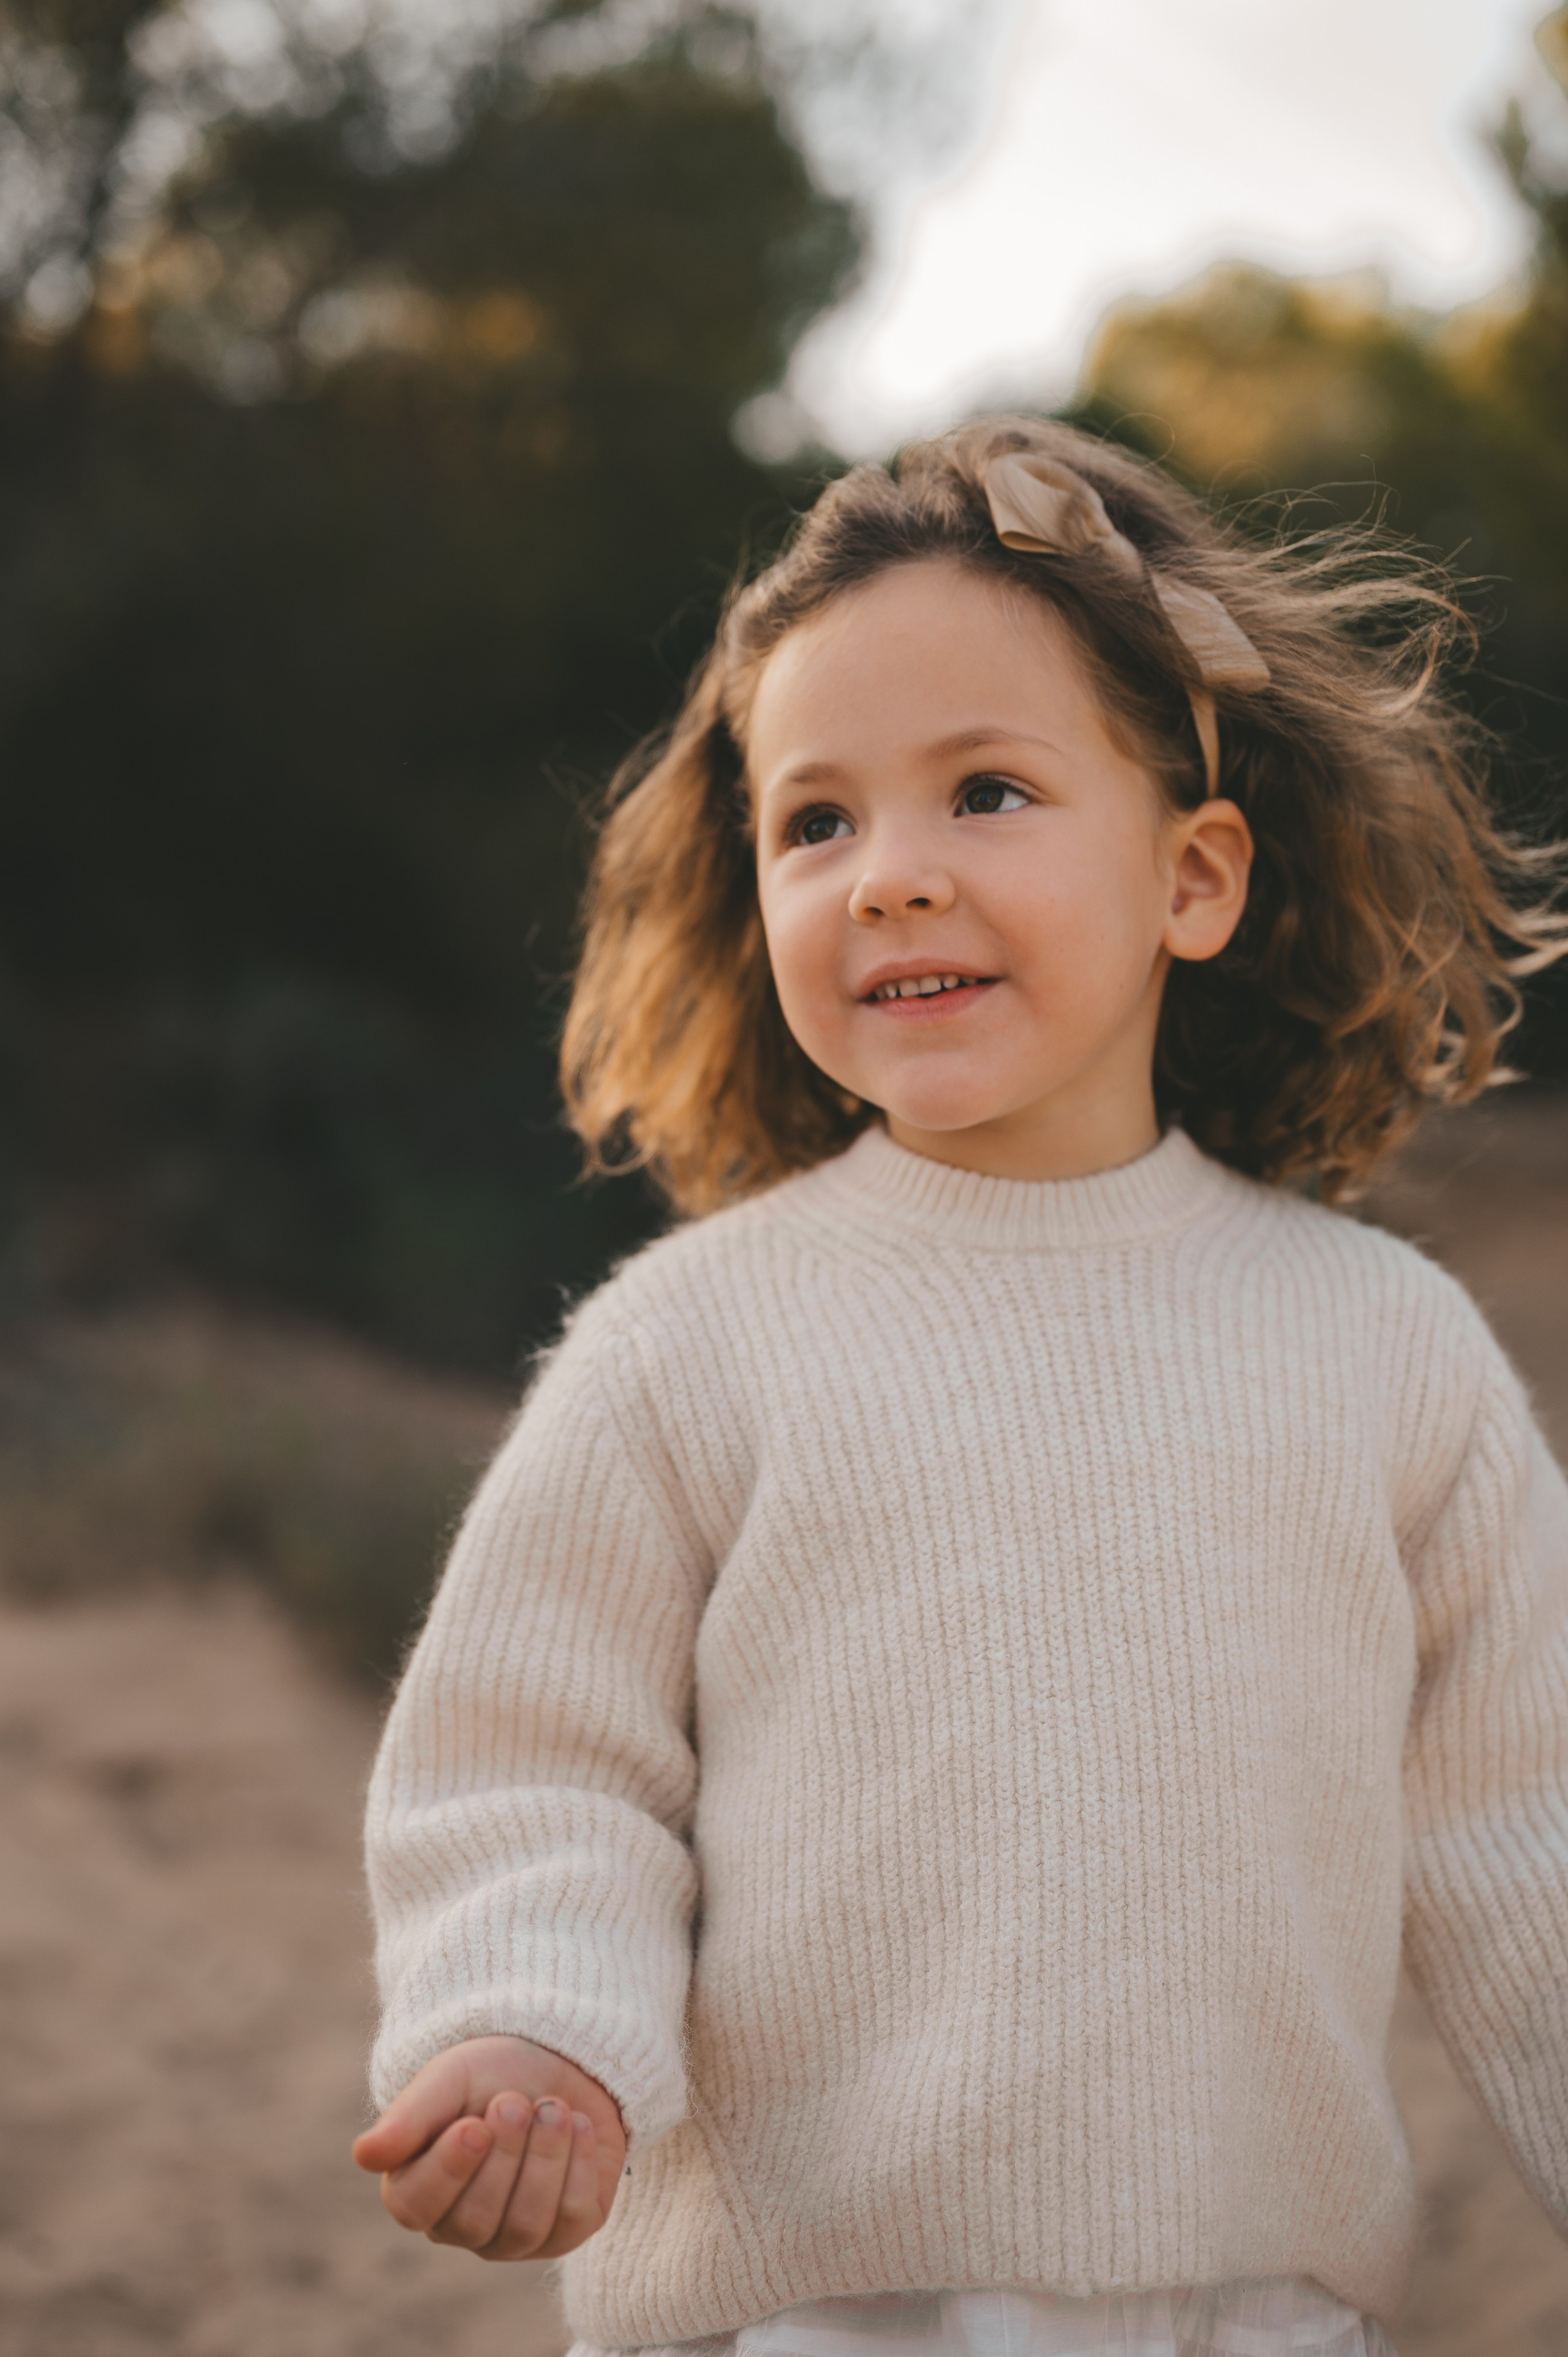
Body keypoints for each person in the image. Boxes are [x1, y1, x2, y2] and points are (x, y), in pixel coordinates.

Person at [351, 418, 1568, 2357]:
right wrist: (534, 2028)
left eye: (985, 792)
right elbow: (536, 1764)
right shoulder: (691, 1348)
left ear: (1195, 877)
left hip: (1254, 2307)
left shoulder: (1383, 1351)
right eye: (815, 823)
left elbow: (1533, 1842)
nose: (891, 878)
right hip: (806, 2310)